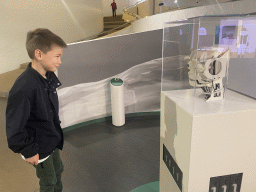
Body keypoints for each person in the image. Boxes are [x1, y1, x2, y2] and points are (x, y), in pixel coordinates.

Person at [5, 28, 67, 192]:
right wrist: (29, 151)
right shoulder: (24, 87)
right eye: (57, 56)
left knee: (58, 171)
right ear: (39, 54)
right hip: (38, 146)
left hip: (51, 140)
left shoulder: (48, 78)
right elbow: (14, 128)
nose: (60, 61)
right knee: (49, 181)